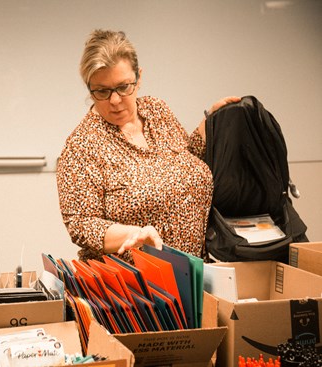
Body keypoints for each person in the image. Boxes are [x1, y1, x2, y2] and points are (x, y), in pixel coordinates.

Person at [56, 29, 240, 263]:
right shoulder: (82, 147)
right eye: (102, 91)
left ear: (138, 77)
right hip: (134, 287)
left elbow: (185, 159)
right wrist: (135, 234)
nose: (114, 100)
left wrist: (211, 122)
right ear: (89, 88)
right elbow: (81, 224)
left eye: (123, 87)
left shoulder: (157, 110)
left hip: (192, 273)